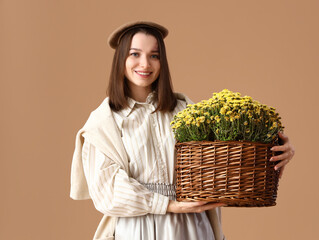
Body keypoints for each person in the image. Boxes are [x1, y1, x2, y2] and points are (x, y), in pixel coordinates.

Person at [70, 21, 295, 240]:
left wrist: (276, 150)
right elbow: (108, 191)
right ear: (120, 59)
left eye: (154, 55)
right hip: (137, 228)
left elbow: (226, 155)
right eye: (135, 54)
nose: (145, 64)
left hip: (191, 227)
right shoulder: (104, 123)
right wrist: (170, 205)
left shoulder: (184, 110)